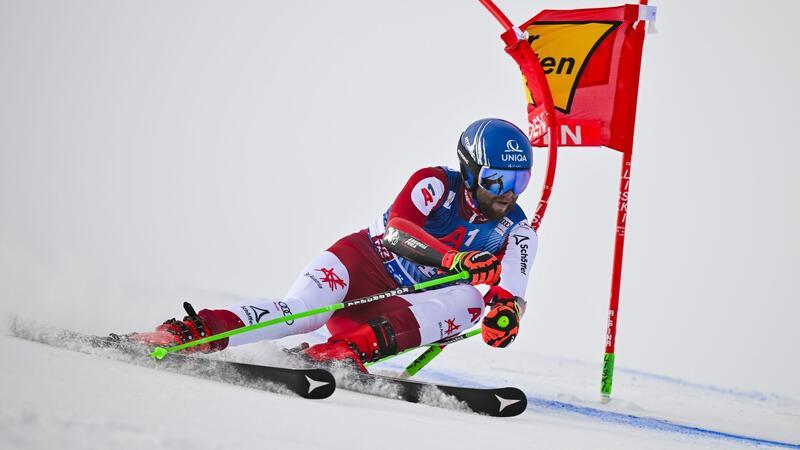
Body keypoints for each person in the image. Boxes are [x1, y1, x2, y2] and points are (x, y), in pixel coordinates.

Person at [130, 118, 539, 371]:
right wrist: (453, 256)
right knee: (302, 313)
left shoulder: (517, 232)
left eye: (519, 181)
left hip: (392, 311)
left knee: (469, 300)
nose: (508, 193)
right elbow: (397, 232)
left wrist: (503, 318)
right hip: (361, 262)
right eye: (496, 179)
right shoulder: (434, 182)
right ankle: (191, 331)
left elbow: (510, 295)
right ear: (470, 170)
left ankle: (341, 352)